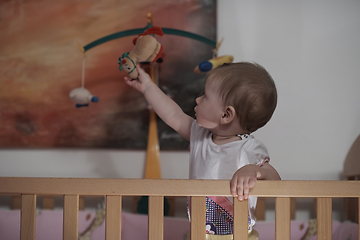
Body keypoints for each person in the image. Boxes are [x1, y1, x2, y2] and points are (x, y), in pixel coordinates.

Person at [124, 62, 281, 239]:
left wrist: (256, 170)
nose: (198, 99)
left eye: (205, 96)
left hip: (237, 235)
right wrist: (147, 87)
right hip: (199, 231)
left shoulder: (248, 148)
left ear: (226, 115)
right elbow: (173, 115)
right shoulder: (200, 135)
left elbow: (276, 181)